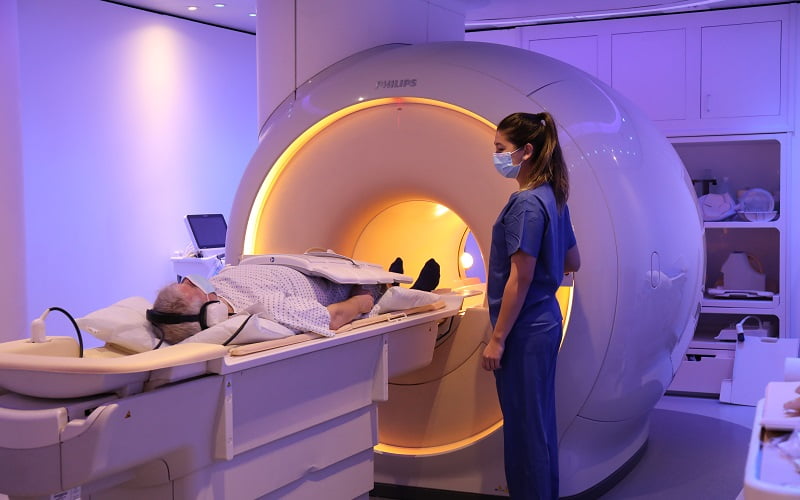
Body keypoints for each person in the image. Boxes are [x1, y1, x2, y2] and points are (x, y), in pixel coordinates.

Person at [481, 112, 581, 499]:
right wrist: (548, 267)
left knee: (524, 430)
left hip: (523, 331)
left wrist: (497, 339)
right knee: (538, 424)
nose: (496, 155)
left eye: (500, 148)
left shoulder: (525, 204)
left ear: (526, 151)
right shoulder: (553, 197)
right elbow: (573, 262)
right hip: (545, 321)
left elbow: (519, 278)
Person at [148, 257, 441, 345]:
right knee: (373, 284)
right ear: (211, 313)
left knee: (365, 267)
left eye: (186, 282)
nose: (191, 280)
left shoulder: (221, 282)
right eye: (192, 288)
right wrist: (362, 299)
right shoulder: (266, 308)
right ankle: (394, 288)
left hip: (312, 267)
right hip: (341, 285)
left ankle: (387, 278)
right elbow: (334, 318)